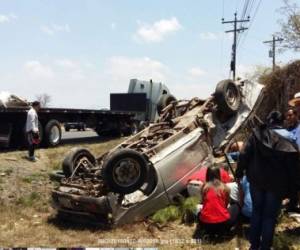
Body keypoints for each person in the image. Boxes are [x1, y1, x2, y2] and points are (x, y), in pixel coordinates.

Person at [236, 111, 300, 250]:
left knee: (257, 212)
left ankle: (254, 245)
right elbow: (293, 166)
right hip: (276, 185)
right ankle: (265, 247)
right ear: (282, 122)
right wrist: (293, 190)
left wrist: (239, 172)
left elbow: (244, 154)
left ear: (269, 120)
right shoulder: (290, 138)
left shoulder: (257, 134)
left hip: (256, 181)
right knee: (269, 216)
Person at [198, 166, 240, 235]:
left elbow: (203, 202)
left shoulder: (204, 187)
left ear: (207, 174)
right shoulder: (225, 187)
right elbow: (225, 205)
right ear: (218, 174)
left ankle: (209, 231)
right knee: (236, 206)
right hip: (224, 223)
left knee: (200, 213)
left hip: (205, 224)